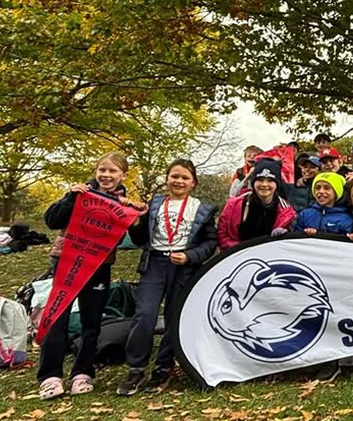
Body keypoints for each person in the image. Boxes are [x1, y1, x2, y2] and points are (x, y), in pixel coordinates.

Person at [38, 152, 147, 400]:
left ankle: (83, 372)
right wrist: (70, 198)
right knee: (58, 315)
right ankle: (50, 376)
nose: (106, 175)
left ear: (123, 175)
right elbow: (52, 220)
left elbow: (139, 239)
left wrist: (138, 218)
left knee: (92, 319)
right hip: (67, 260)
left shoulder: (124, 204)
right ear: (96, 171)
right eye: (102, 170)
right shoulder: (81, 192)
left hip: (99, 265)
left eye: (112, 171)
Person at [118, 159, 218, 396]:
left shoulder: (202, 209)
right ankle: (136, 368)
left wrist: (190, 256)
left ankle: (163, 368)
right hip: (155, 263)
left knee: (175, 318)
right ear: (167, 178)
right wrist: (136, 222)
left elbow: (210, 242)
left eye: (185, 177)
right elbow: (141, 238)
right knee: (145, 315)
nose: (179, 181)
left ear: (193, 183)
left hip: (183, 267)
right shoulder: (154, 205)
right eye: (174, 176)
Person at [218, 160, 297, 250]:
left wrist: (283, 235)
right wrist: (240, 250)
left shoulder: (287, 211)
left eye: (270, 180)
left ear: (277, 184)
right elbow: (223, 234)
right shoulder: (234, 205)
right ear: (253, 182)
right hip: (237, 257)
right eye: (260, 180)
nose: (264, 184)